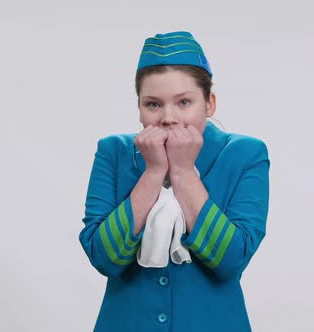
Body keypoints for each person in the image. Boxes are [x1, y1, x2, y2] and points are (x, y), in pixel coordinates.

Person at [79, 31, 270, 331]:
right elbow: (104, 258)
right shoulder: (112, 151)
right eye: (153, 104)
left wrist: (182, 173)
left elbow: (231, 260)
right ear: (139, 106)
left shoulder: (245, 154)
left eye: (184, 102)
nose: (168, 117)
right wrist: (153, 173)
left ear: (209, 103)